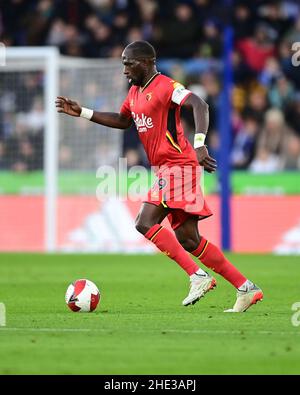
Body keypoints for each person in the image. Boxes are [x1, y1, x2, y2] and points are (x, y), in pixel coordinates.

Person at [56, 40, 263, 312]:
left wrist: (199, 143)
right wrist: (82, 111)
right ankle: (246, 288)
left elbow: (200, 105)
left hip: (179, 165)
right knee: (189, 239)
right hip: (166, 169)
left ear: (145, 62)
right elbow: (122, 121)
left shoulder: (165, 86)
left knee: (144, 222)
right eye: (123, 64)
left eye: (128, 63)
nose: (124, 70)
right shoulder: (134, 92)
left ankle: (197, 276)